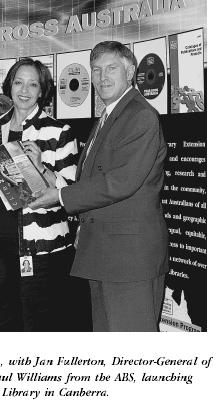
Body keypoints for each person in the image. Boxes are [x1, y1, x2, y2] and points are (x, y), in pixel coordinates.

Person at [29, 41, 169, 332]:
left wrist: (59, 196)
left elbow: (120, 182)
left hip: (129, 259)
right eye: (96, 70)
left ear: (130, 71)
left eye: (111, 68)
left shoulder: (139, 116)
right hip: (105, 252)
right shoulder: (110, 116)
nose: (102, 77)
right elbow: (93, 180)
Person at [0, 57, 83, 332]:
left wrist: (42, 167)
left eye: (33, 84)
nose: (24, 90)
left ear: (42, 91)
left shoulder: (59, 132)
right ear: (9, 86)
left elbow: (71, 192)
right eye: (19, 82)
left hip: (41, 247)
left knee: (37, 326)